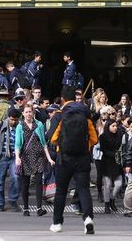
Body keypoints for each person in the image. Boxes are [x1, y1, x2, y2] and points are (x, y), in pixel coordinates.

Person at [50, 87, 97, 234]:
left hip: (63, 159)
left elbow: (53, 138)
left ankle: (57, 223)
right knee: (83, 189)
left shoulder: (60, 115)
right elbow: (94, 139)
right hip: (82, 159)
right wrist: (84, 146)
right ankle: (88, 218)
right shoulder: (86, 115)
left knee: (61, 192)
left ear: (63, 99)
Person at [15, 104, 55, 217]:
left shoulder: (39, 125)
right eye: (26, 112)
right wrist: (17, 158)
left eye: (30, 112)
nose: (28, 114)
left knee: (38, 182)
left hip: (39, 157)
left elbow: (44, 144)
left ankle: (39, 208)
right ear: (23, 114)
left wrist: (49, 158)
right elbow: (17, 144)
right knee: (25, 183)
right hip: (25, 158)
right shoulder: (20, 126)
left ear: (33, 113)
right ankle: (26, 208)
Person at [0, 108, 22, 212]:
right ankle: (0, 203)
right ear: (8, 117)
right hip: (1, 156)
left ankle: (13, 200)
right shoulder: (0, 125)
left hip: (15, 157)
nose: (13, 122)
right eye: (11, 119)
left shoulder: (20, 127)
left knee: (15, 178)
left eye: (15, 120)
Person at [99, 120, 123, 214]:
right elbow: (103, 150)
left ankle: (112, 200)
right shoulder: (103, 137)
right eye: (113, 126)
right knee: (107, 185)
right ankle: (107, 204)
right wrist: (116, 154)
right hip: (107, 163)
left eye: (116, 126)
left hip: (117, 163)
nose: (115, 128)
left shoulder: (119, 136)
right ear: (108, 126)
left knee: (119, 184)